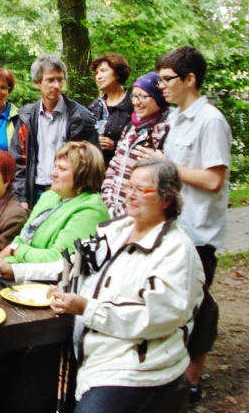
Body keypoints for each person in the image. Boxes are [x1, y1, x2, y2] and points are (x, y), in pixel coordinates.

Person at [49, 159, 205, 413]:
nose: (130, 195)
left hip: (138, 369)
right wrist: (26, 274)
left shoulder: (176, 250)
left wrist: (87, 308)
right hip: (96, 356)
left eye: (141, 190)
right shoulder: (117, 230)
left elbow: (155, 318)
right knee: (25, 376)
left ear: (166, 199)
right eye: (129, 187)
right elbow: (71, 265)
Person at [140, 46, 231, 402]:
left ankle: (189, 382)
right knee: (173, 306)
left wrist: (168, 167)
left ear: (190, 79)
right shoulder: (177, 118)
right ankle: (172, 379)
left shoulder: (210, 120)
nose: (160, 86)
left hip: (197, 234)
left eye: (167, 79)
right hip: (170, 229)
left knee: (195, 308)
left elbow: (213, 180)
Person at [0, 141, 109, 282]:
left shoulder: (91, 210)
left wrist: (15, 250)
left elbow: (59, 259)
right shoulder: (50, 196)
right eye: (55, 166)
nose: (53, 173)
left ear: (83, 175)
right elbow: (22, 238)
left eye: (62, 169)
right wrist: (6, 262)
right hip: (19, 273)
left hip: (51, 287)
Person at [10, 54, 99, 209]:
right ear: (37, 83)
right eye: (50, 80)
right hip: (35, 191)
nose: (56, 85)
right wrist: (21, 197)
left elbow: (92, 162)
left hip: (70, 193)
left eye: (60, 79)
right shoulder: (26, 118)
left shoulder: (82, 118)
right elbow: (18, 161)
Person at [101, 72, 171, 217]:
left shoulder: (165, 132)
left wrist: (126, 211)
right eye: (133, 96)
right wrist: (107, 199)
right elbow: (114, 167)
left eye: (143, 96)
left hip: (139, 215)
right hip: (112, 211)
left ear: (158, 98)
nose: (135, 102)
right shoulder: (130, 128)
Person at [89, 53, 133, 165]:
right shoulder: (96, 105)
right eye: (97, 73)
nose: (98, 76)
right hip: (96, 170)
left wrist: (115, 145)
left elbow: (141, 139)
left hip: (123, 169)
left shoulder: (134, 103)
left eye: (103, 71)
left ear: (118, 73)